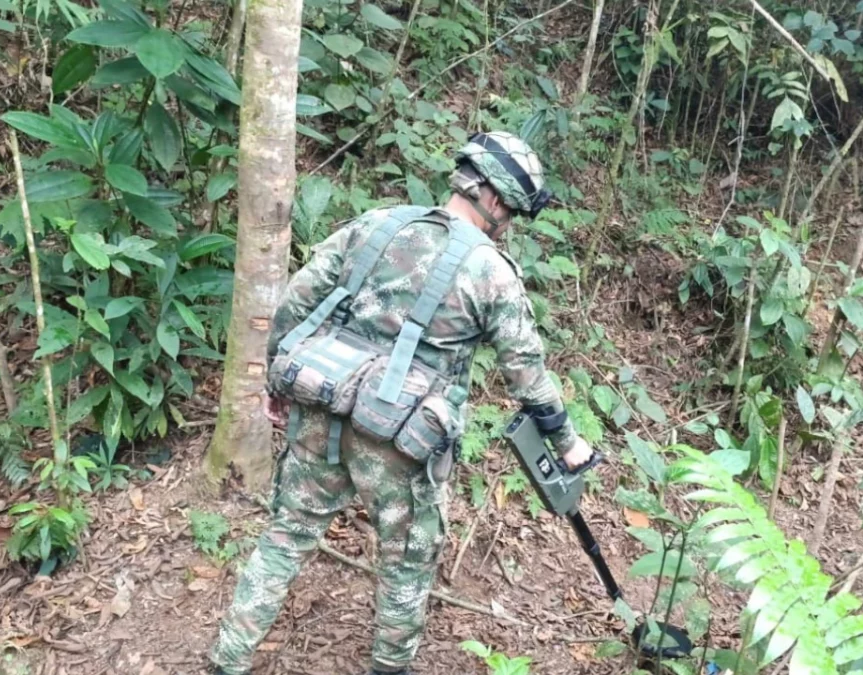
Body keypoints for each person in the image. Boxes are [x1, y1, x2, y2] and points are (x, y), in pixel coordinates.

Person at [208, 131, 595, 675]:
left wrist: (277, 384)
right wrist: (568, 445)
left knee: (286, 536)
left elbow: (296, 303)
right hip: (399, 440)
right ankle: (390, 668)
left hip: (320, 406)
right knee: (407, 566)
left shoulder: (378, 224)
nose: (509, 226)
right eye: (513, 214)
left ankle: (227, 660)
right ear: (497, 200)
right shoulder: (490, 272)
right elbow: (528, 378)